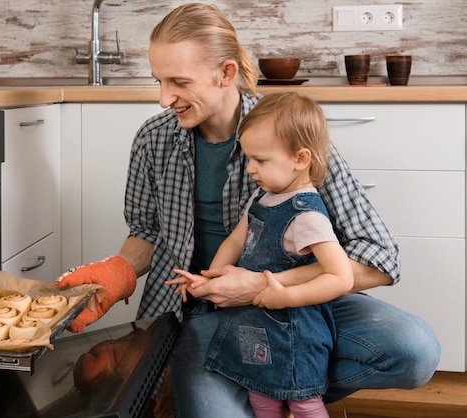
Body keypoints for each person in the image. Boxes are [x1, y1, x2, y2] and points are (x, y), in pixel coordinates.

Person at [56, 3, 440, 417]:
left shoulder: (286, 131)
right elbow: (147, 231)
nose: (164, 98)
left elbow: (380, 258)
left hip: (301, 311)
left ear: (226, 73)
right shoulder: (153, 139)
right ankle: (269, 386)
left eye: (178, 82)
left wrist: (264, 285)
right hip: (203, 315)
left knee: (414, 350)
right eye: (159, 81)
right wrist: (121, 270)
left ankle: (285, 384)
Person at [169, 92, 353, 418]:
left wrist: (286, 297)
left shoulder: (306, 215)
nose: (250, 168)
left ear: (300, 158)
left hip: (295, 333)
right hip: (255, 328)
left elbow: (341, 277)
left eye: (261, 160)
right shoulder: (263, 195)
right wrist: (210, 280)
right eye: (248, 158)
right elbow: (235, 241)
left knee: (303, 402)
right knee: (262, 399)